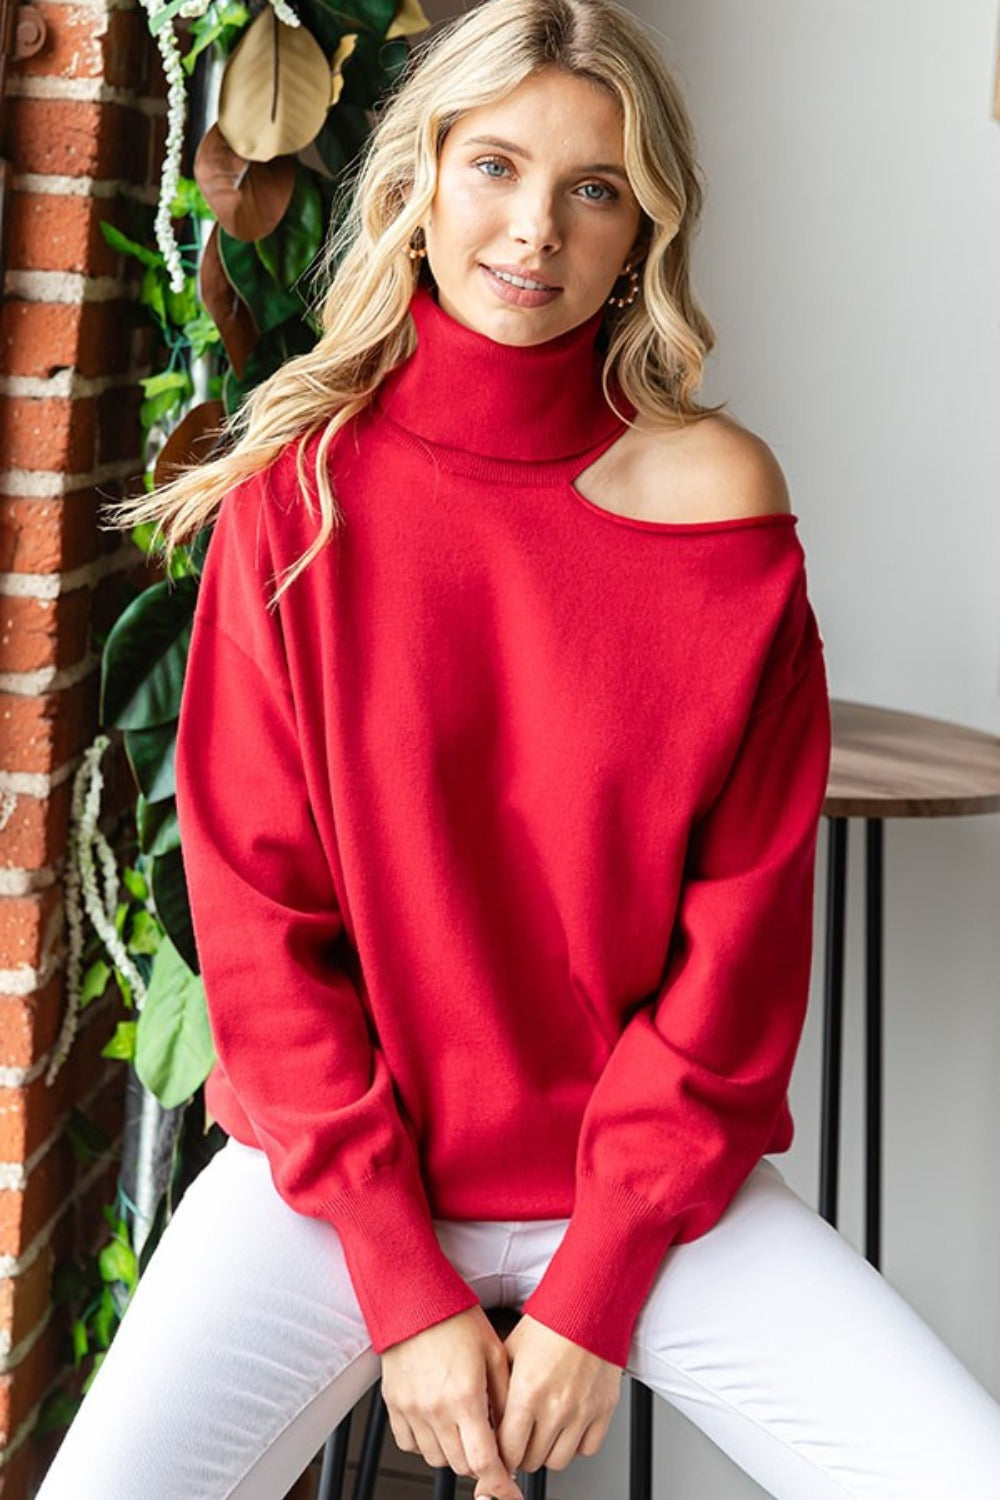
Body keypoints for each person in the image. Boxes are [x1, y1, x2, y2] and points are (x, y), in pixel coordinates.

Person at [37, 0, 1000, 1496]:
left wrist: (599, 1284)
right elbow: (257, 927)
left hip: (647, 1195)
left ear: (644, 235)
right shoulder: (301, 499)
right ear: (420, 181)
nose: (534, 229)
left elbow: (740, 947)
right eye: (493, 166)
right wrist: (404, 1287)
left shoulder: (722, 504)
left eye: (593, 189)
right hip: (339, 1191)